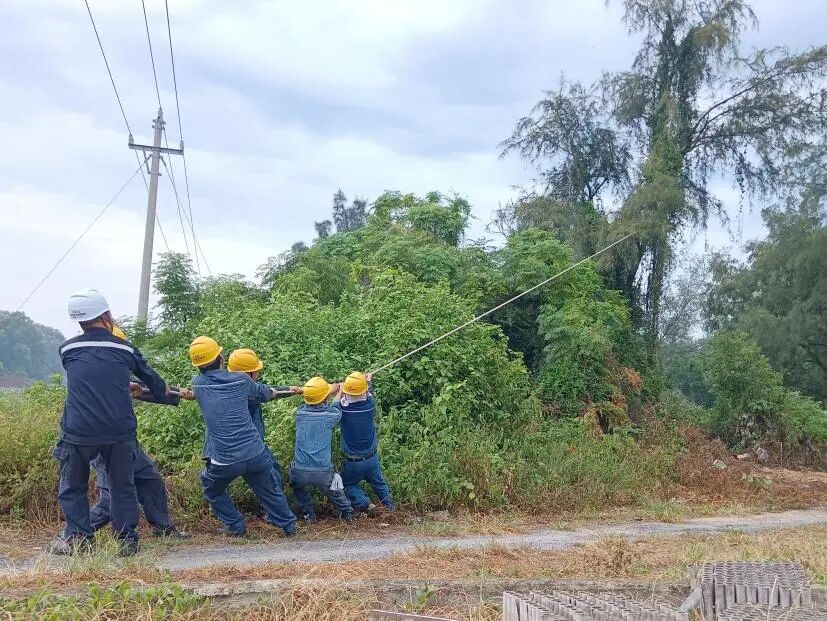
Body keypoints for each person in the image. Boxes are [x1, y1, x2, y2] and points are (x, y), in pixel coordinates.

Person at [50, 290, 172, 556]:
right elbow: (154, 382)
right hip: (119, 431)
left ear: (79, 321)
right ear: (106, 315)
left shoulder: (67, 349)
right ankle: (127, 541)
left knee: (73, 486)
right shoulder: (125, 348)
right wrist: (162, 391)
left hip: (79, 431)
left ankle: (79, 539)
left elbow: (92, 374)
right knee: (122, 486)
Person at [87, 325, 191, 539]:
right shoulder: (94, 379)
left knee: (151, 481)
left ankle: (163, 529)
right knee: (110, 500)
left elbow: (143, 387)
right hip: (104, 445)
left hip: (127, 443)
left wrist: (178, 393)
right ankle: (74, 534)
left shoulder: (116, 371)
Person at [189, 336, 297, 537]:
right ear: (220, 358)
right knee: (269, 490)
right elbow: (266, 393)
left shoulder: (197, 384)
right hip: (255, 452)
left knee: (211, 487)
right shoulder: (241, 380)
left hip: (225, 460)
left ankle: (236, 526)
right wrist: (294, 390)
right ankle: (289, 526)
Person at [289, 376, 354, 523]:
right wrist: (340, 390)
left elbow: (314, 399)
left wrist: (310, 391)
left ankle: (308, 514)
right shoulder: (331, 416)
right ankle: (347, 512)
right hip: (323, 471)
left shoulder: (300, 414)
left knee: (297, 486)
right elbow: (336, 405)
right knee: (335, 491)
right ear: (325, 398)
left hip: (300, 471)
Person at [338, 372, 394, 514]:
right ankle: (391, 509)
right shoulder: (370, 405)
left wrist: (341, 387)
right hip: (371, 458)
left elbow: (337, 401)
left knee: (347, 484)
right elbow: (370, 393)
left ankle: (365, 503)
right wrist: (368, 381)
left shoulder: (343, 409)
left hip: (353, 462)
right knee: (379, 484)